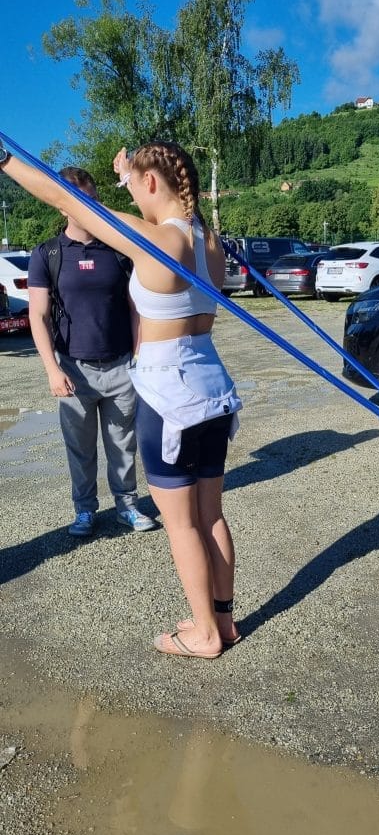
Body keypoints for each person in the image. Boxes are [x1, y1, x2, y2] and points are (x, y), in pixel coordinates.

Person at [0, 138, 242, 659]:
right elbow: (148, 199)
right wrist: (127, 172)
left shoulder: (161, 243)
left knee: (181, 525)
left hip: (168, 397)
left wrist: (5, 159)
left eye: (134, 187)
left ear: (152, 183)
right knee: (211, 517)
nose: (130, 198)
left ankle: (202, 635)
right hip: (213, 389)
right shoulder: (208, 240)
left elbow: (68, 201)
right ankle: (221, 621)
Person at [27, 166, 155, 537]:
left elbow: (135, 308)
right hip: (73, 370)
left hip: (120, 367)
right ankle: (84, 511)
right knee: (80, 450)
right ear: (62, 205)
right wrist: (52, 369)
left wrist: (139, 356)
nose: (87, 206)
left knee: (123, 445)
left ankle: (127, 506)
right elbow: (37, 315)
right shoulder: (48, 253)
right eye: (77, 200)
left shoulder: (118, 251)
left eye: (91, 198)